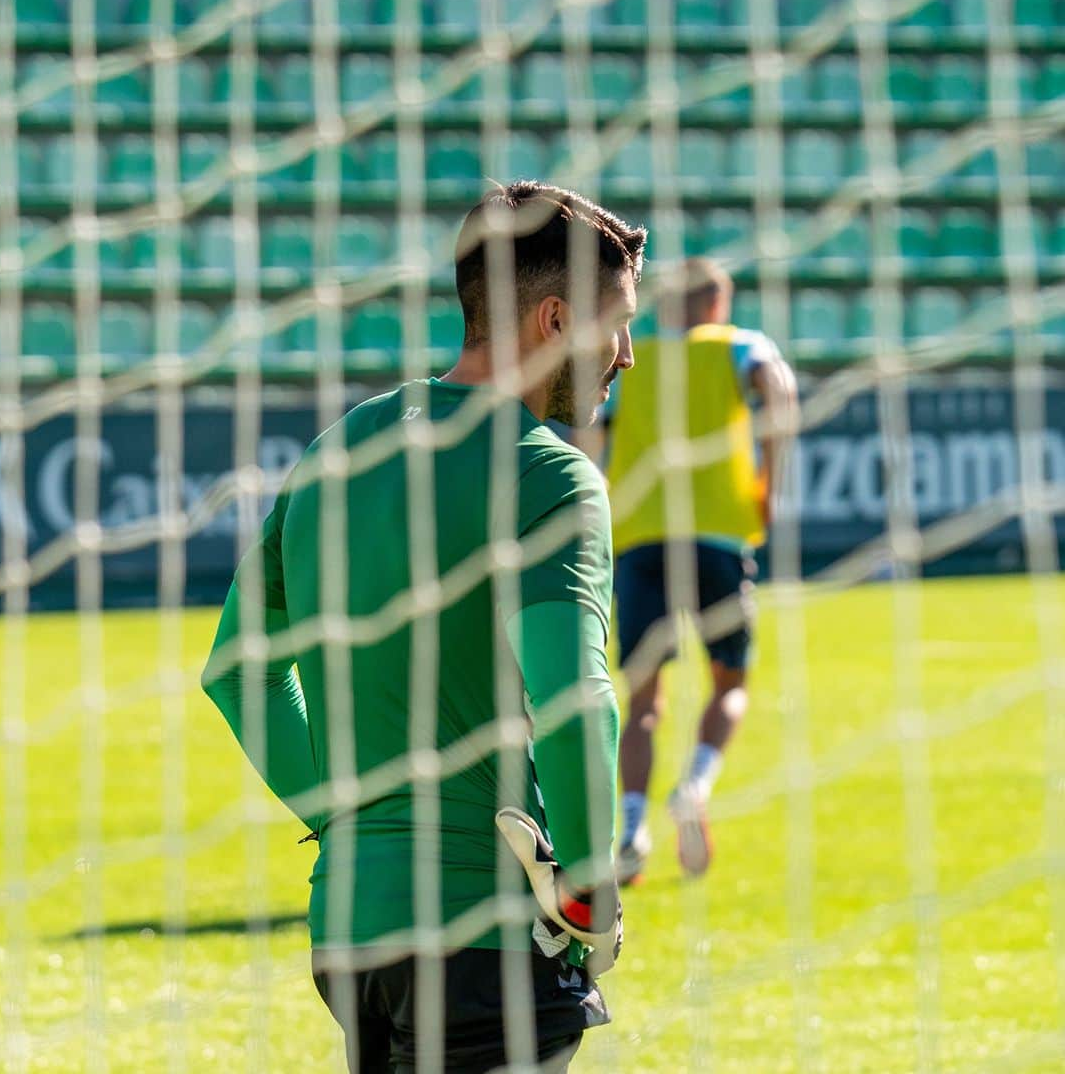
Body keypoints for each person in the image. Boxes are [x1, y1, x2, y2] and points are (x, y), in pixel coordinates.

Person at [201, 181, 646, 1072]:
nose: (628, 356)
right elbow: (575, 698)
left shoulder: (338, 448)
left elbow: (237, 670)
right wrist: (590, 885)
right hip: (482, 933)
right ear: (555, 320)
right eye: (618, 324)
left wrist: (348, 820)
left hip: (350, 932)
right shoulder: (546, 474)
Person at [603, 259, 798, 885]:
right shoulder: (738, 344)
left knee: (641, 701)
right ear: (718, 303)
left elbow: (586, 433)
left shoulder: (634, 360)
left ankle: (631, 828)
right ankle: (695, 785)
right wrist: (772, 475)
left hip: (639, 539)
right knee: (730, 683)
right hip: (717, 535)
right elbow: (779, 386)